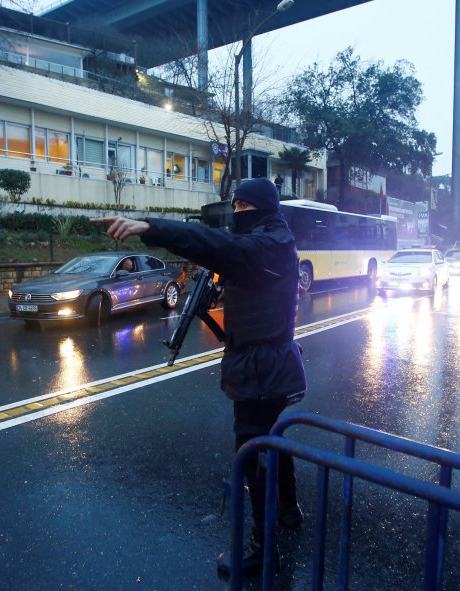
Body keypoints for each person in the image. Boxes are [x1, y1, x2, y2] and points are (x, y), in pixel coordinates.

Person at [92, 178, 306, 578]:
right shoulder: (271, 238)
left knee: (254, 452)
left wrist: (149, 228)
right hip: (268, 362)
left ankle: (264, 549)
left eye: (244, 207)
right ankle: (290, 512)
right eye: (235, 205)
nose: (237, 213)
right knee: (273, 438)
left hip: (262, 368)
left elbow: (216, 244)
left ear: (261, 208)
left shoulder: (267, 244)